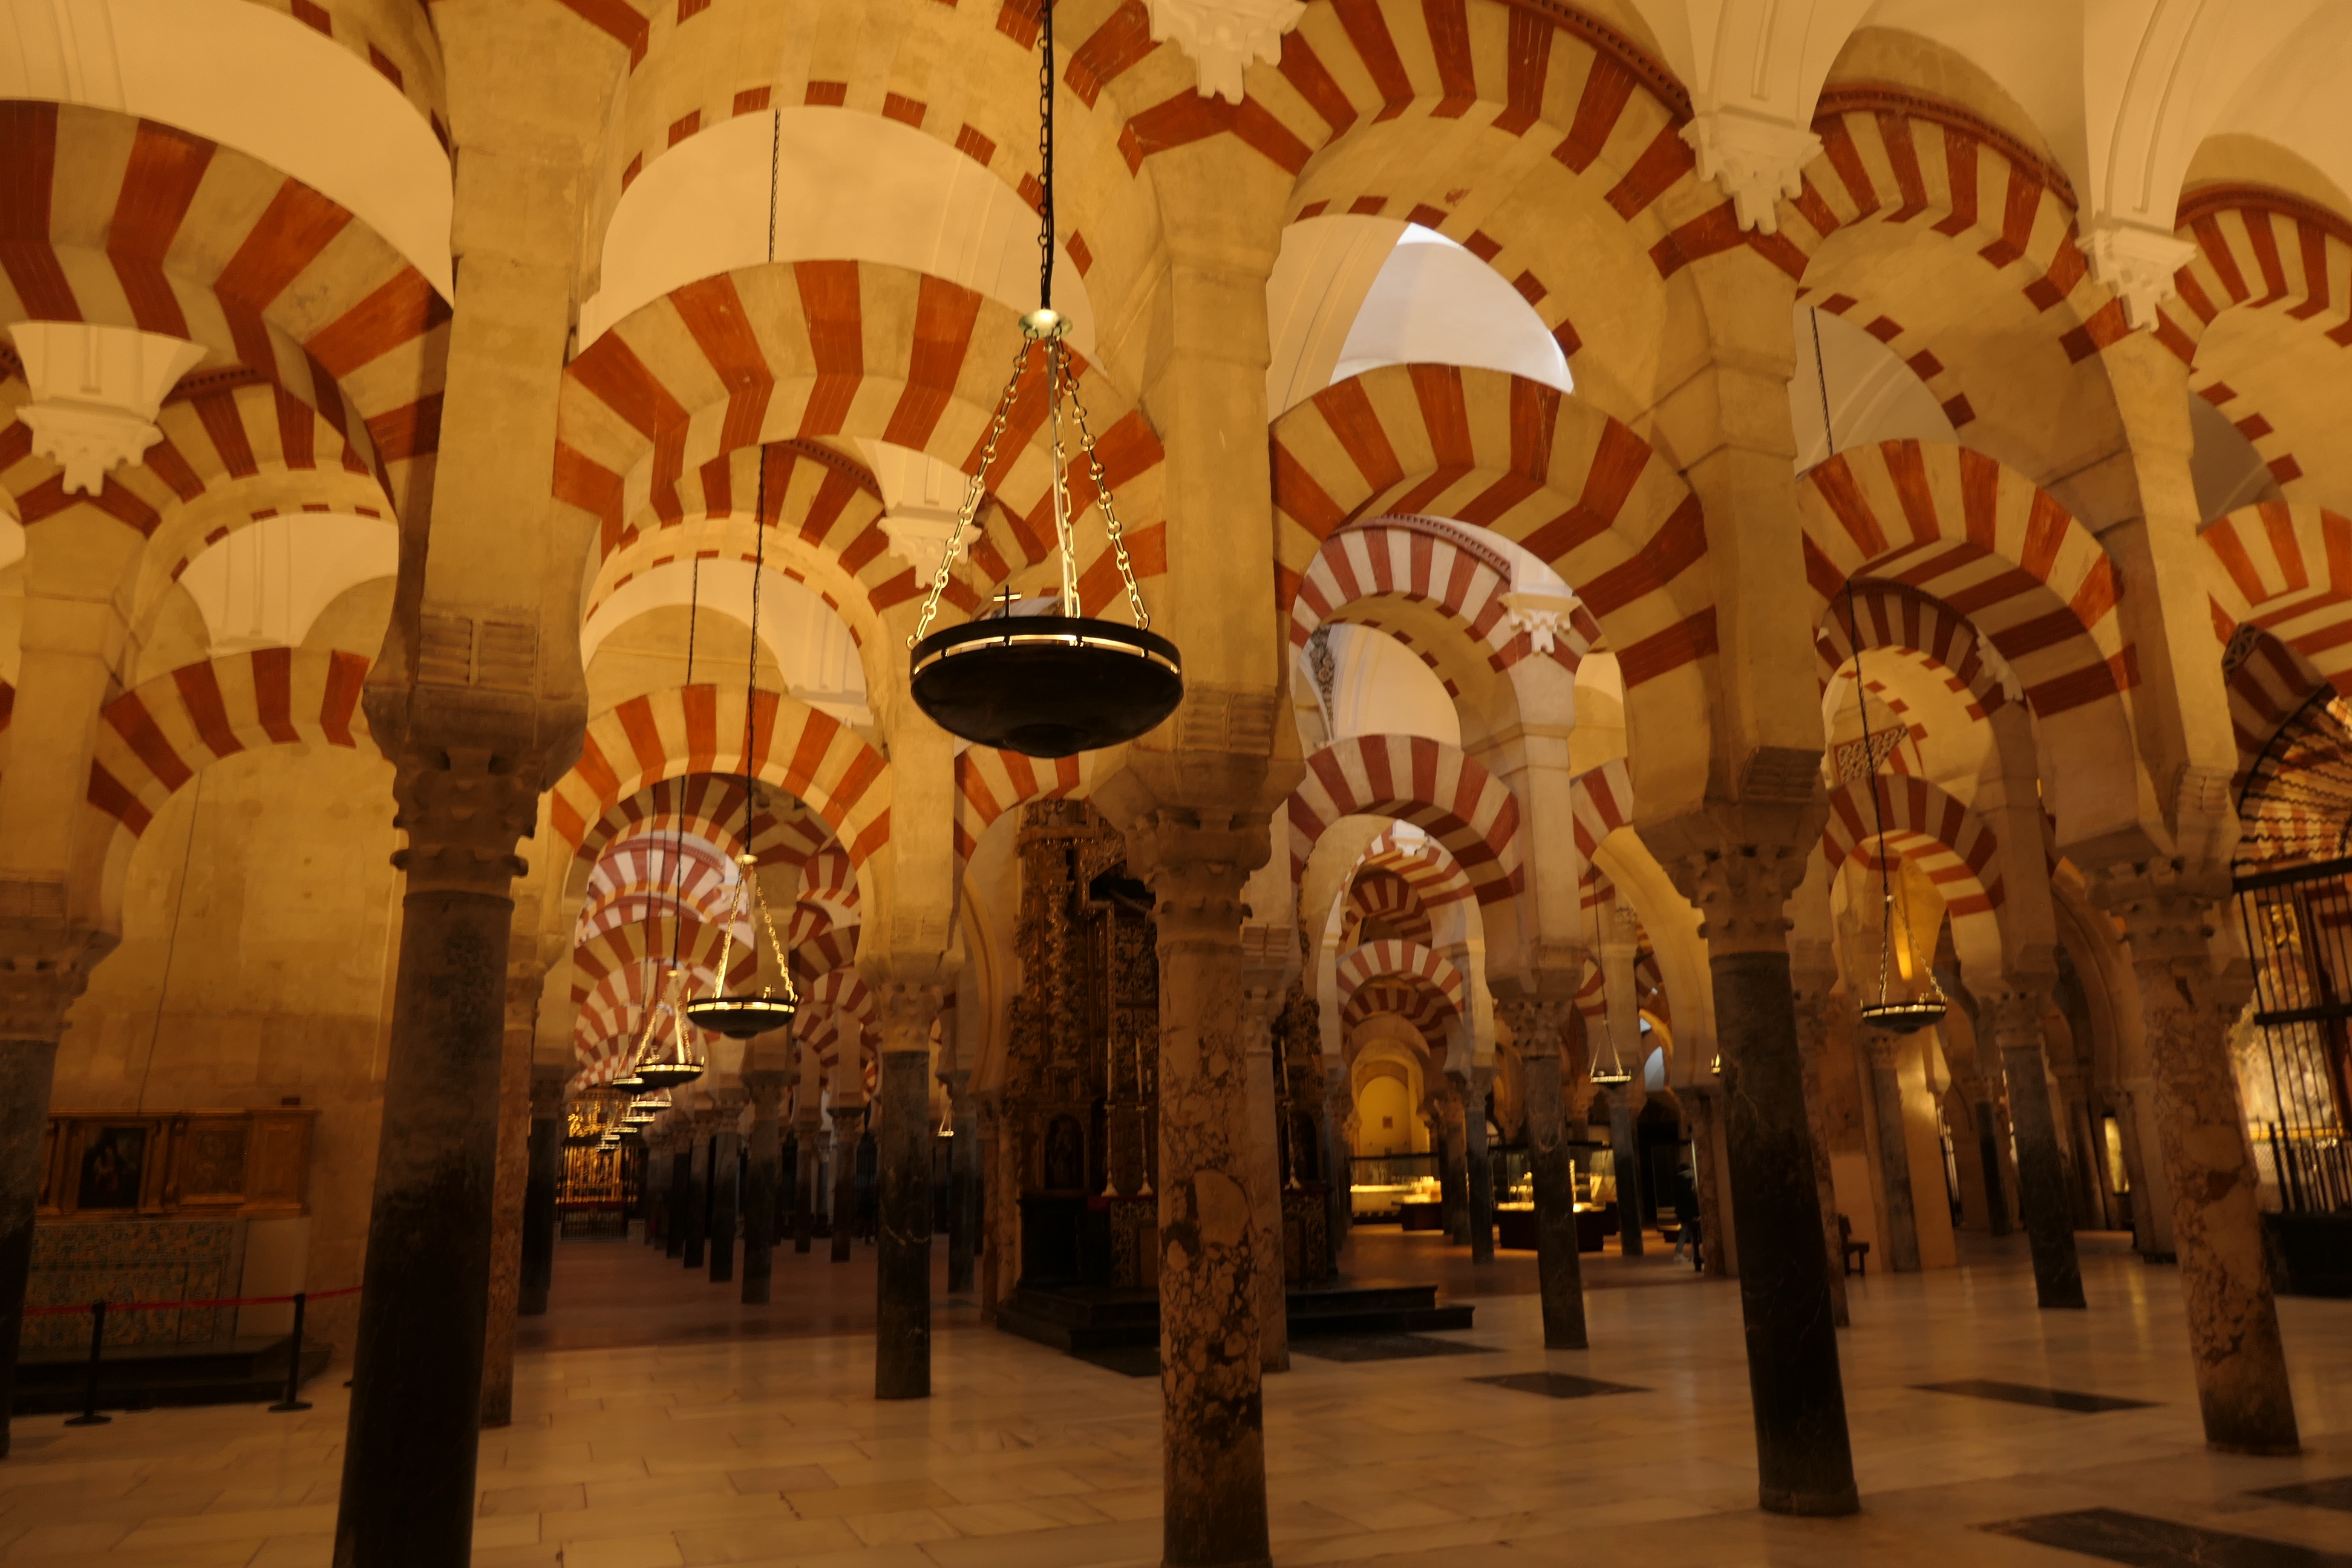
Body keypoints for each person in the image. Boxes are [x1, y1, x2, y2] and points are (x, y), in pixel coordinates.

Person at [1669, 1163, 1702, 1271]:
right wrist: (1696, 1211)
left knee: (1686, 1231)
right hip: (1689, 1212)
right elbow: (1689, 1199)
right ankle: (1692, 1254)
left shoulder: (1678, 1183)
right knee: (1691, 1233)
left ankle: (1687, 1254)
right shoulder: (1686, 1183)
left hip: (1683, 1212)